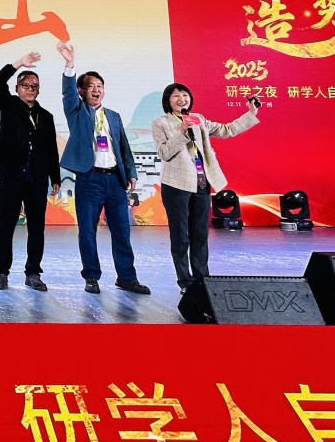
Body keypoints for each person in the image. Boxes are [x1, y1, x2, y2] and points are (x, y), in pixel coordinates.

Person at [58, 41, 150, 296]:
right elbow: (67, 93)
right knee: (88, 231)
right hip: (90, 180)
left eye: (100, 86)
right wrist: (69, 64)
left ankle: (127, 278)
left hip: (115, 181)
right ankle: (91, 277)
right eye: (91, 86)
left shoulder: (113, 116)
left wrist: (131, 172)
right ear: (81, 91)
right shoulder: (77, 111)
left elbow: (123, 146)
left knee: (122, 231)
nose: (96, 90)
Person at [151, 84, 260, 291]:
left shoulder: (198, 119)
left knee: (200, 234)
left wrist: (250, 113)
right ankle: (185, 281)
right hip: (176, 184)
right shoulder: (160, 123)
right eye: (176, 96)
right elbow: (164, 153)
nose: (181, 99)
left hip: (201, 182)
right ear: (168, 101)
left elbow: (227, 130)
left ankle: (202, 280)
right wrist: (182, 133)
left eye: (185, 95)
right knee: (181, 236)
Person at [0, 51, 61, 291]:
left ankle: (33, 273)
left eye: (34, 86)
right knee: (6, 225)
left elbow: (51, 148)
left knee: (36, 227)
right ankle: (1, 273)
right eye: (25, 85)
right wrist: (19, 63)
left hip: (37, 177)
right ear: (17, 88)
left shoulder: (46, 116)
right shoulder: (9, 105)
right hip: (12, 174)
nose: (30, 89)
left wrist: (55, 177)